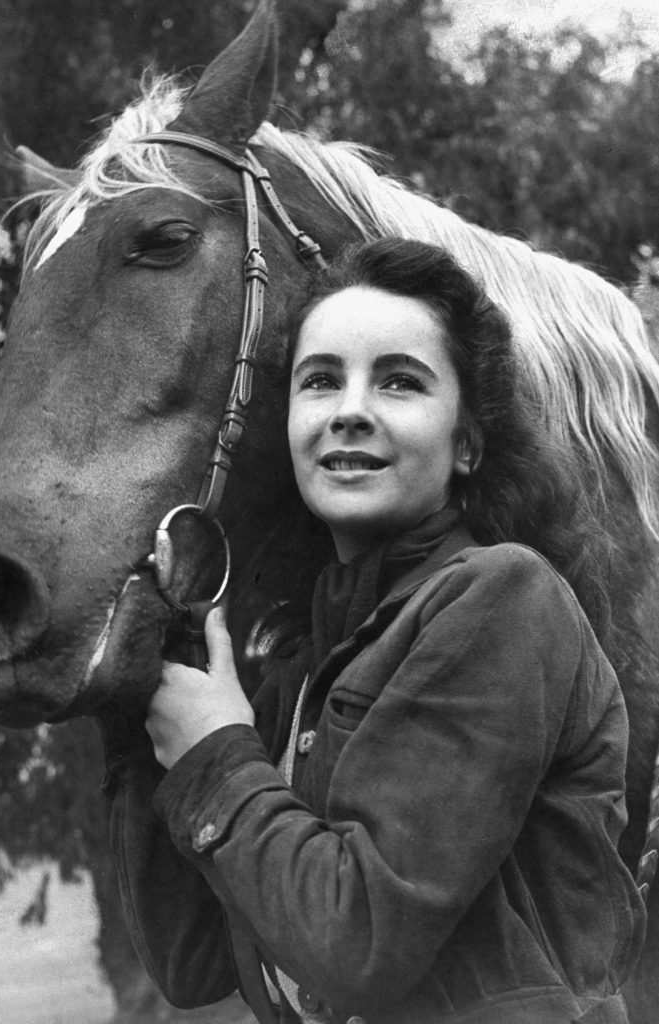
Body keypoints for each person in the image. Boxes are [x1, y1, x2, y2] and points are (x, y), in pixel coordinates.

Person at [109, 238, 645, 1024]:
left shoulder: (504, 599)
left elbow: (355, 943)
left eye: (399, 381)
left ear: (466, 443)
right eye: (319, 380)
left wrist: (213, 754)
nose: (348, 410)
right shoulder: (304, 665)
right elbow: (195, 957)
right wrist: (135, 700)